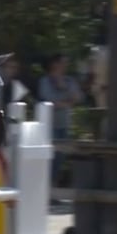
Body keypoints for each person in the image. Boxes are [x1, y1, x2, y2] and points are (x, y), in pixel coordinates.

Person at [37, 53, 83, 186]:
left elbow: (78, 97)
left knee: (61, 157)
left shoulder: (69, 81)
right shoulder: (45, 81)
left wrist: (64, 90)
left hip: (64, 124)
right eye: (62, 63)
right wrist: (66, 101)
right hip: (49, 125)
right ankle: (44, 186)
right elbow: (47, 98)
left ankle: (53, 185)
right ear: (54, 64)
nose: (65, 66)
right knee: (50, 156)